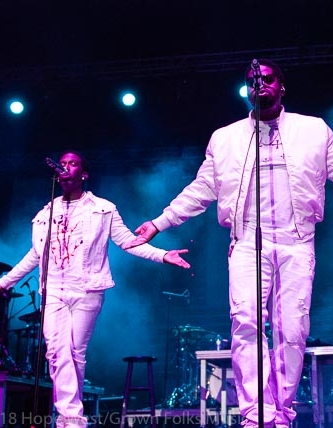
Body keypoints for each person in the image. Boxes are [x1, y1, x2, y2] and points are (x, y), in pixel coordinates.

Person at [125, 58, 333, 428]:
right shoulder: (225, 138)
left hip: (296, 241)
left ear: (282, 86)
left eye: (268, 78)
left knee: (292, 330)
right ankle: (256, 414)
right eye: (252, 80)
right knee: (245, 324)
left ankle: (282, 414)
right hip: (246, 243)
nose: (260, 84)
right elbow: (200, 191)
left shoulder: (314, 131)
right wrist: (160, 222)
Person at [0, 150, 191, 428]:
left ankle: (70, 416)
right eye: (62, 164)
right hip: (53, 287)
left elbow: (127, 241)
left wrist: (162, 255)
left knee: (75, 351)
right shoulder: (45, 213)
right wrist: (6, 281)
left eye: (72, 164)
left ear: (84, 174)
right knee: (56, 350)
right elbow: (35, 254)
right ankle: (71, 416)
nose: (66, 167)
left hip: (87, 288)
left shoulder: (103, 208)